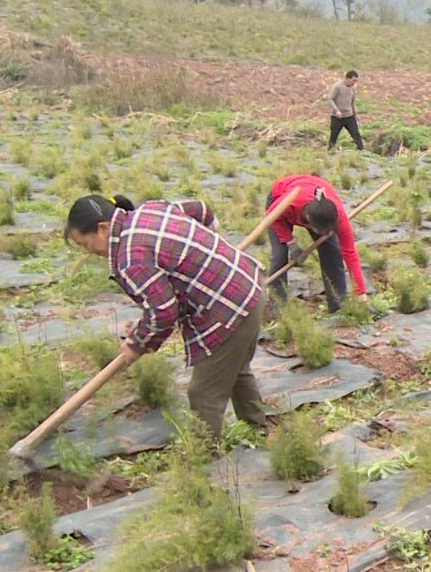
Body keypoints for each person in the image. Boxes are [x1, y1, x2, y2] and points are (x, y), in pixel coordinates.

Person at [64, 194, 267, 439]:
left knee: (203, 394)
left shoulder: (130, 259)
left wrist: (137, 344)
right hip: (249, 284)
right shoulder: (151, 209)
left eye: (85, 244)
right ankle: (257, 432)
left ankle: (203, 455)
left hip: (228, 310)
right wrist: (207, 249)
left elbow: (163, 312)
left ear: (103, 229)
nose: (88, 251)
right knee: (235, 367)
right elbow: (201, 209)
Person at [265, 174, 369, 313]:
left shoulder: (337, 215)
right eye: (322, 231)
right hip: (279, 200)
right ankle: (278, 308)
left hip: (315, 205)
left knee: (332, 252)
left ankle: (338, 305)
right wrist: (291, 243)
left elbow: (350, 253)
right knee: (280, 255)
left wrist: (361, 295)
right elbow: (272, 217)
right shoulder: (290, 203)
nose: (325, 233)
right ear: (309, 221)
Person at [325, 70, 364, 151]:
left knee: (356, 135)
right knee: (334, 137)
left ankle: (362, 152)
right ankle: (330, 152)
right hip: (337, 117)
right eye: (353, 80)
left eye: (356, 81)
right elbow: (330, 98)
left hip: (349, 116)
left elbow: (353, 102)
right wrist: (336, 110)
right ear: (347, 78)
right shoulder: (337, 86)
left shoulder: (353, 88)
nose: (354, 82)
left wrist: (356, 114)